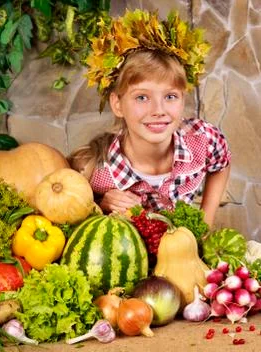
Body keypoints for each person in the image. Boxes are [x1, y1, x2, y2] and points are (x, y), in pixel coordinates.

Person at [69, 9, 231, 228]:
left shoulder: (202, 140)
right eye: (142, 97)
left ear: (183, 100)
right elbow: (72, 219)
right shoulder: (96, 171)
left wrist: (205, 221)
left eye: (170, 96)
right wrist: (102, 205)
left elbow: (221, 163)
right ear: (117, 104)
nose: (158, 110)